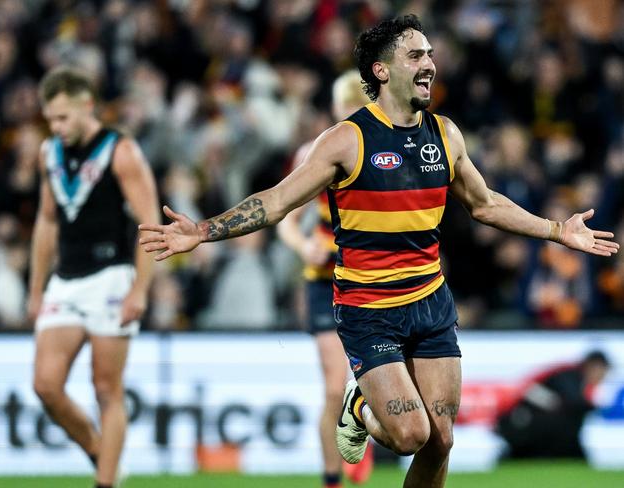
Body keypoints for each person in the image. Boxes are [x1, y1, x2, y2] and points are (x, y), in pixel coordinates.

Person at [138, 15, 619, 488]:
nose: (430, 62)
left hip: (430, 301)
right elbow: (277, 201)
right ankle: (361, 406)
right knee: (410, 435)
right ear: (382, 70)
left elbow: (486, 204)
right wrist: (203, 229)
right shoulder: (347, 139)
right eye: (416, 55)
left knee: (442, 439)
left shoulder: (446, 134)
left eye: (430, 53)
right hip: (369, 308)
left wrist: (558, 230)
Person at [28, 66, 160, 488]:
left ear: (87, 105)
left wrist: (140, 289)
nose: (56, 127)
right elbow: (46, 222)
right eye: (51, 118)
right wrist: (36, 288)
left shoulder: (120, 151)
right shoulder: (49, 153)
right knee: (46, 385)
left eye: (63, 117)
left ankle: (105, 482)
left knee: (106, 389)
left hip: (111, 277)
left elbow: (149, 223)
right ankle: (100, 453)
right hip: (66, 279)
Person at [277, 70, 373, 488]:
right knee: (335, 386)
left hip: (371, 279)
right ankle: (332, 478)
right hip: (324, 280)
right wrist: (303, 247)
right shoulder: (314, 153)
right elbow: (285, 218)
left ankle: (362, 427)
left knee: (371, 383)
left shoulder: (384, 151)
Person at [496, 350, 611, 459]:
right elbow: (572, 403)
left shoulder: (577, 379)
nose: (603, 377)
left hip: (533, 425)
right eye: (603, 371)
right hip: (518, 423)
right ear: (593, 366)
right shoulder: (568, 375)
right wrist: (599, 409)